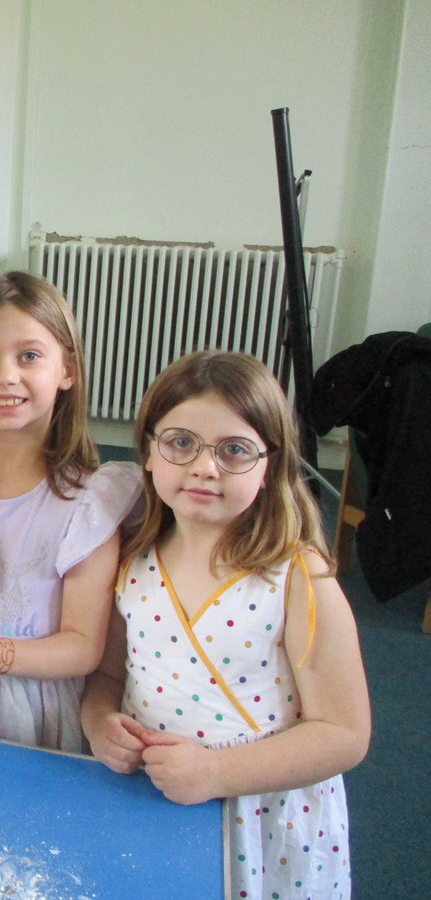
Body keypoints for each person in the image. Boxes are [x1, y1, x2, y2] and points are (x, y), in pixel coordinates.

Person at [80, 350, 370, 899]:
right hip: (157, 797)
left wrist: (217, 774)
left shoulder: (298, 577)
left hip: (262, 819)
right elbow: (109, 676)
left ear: (269, 466)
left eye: (234, 450)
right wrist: (98, 721)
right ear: (147, 450)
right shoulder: (131, 563)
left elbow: (344, 734)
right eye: (181, 442)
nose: (204, 466)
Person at [0, 273, 141, 751]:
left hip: (38, 716)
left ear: (67, 370)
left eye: (29, 355)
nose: (5, 375)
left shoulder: (90, 503)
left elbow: (83, 644)